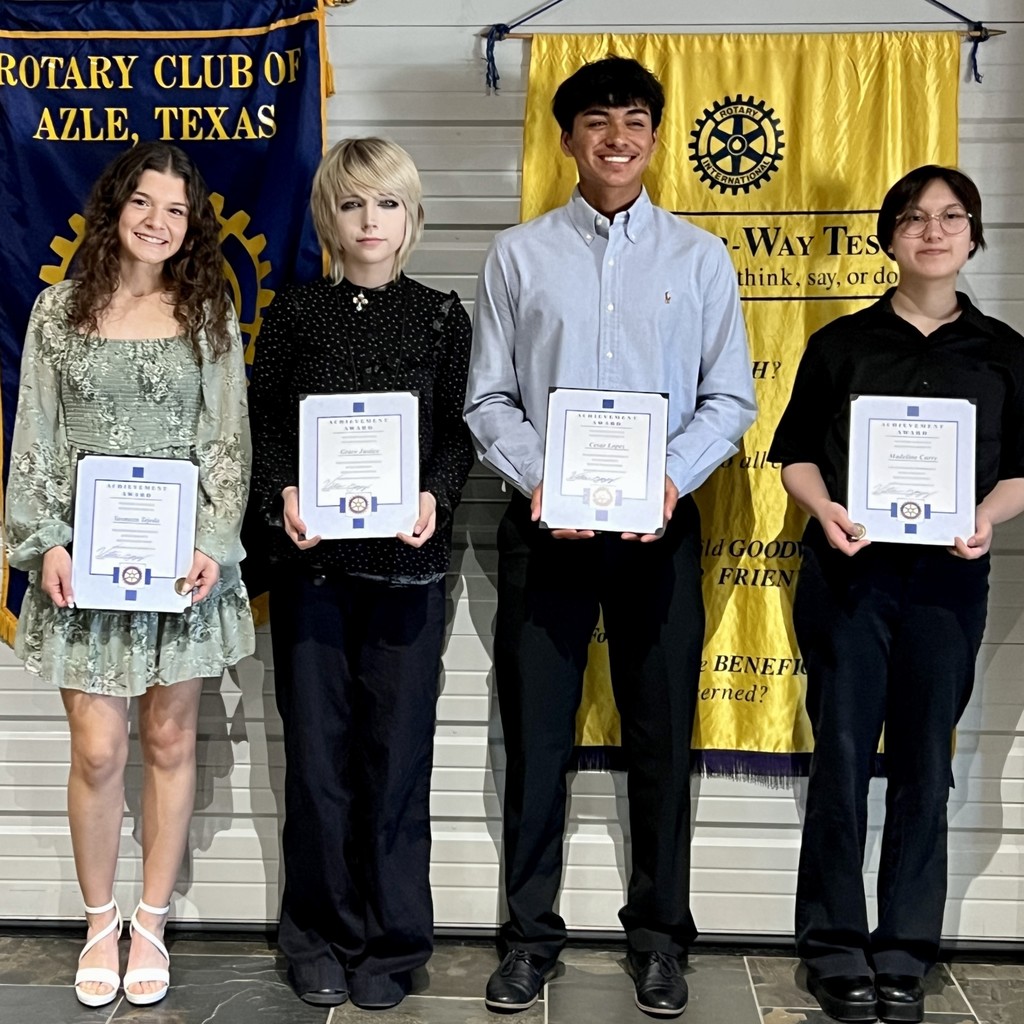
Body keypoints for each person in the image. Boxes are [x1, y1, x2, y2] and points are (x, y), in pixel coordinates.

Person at [464, 56, 756, 1017]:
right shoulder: (518, 256)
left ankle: (661, 940)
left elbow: (730, 398)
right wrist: (543, 479)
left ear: (656, 138)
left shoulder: (699, 258)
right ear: (567, 140)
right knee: (537, 737)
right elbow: (488, 398)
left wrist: (669, 478)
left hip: (658, 529)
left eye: (634, 120)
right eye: (597, 120)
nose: (617, 138)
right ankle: (528, 940)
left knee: (661, 739)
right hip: (546, 527)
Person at [769, 165, 1024, 1024]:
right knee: (841, 758)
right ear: (888, 238)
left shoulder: (1006, 353)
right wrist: (825, 510)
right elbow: (796, 454)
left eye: (952, 217)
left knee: (925, 764)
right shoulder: (842, 344)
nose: (933, 231)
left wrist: (985, 516)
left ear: (975, 236)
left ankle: (907, 951)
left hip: (948, 585)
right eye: (914, 218)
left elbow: (1022, 469)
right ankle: (835, 948)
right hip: (850, 579)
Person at [5, 141, 254, 1008]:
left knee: (170, 741)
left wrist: (213, 538)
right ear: (115, 208)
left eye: (176, 210)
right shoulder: (56, 310)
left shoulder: (209, 312)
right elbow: (34, 433)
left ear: (193, 227)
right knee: (100, 748)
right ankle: (97, 919)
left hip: (178, 568)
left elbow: (227, 439)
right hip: (85, 565)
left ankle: (151, 919)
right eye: (144, 202)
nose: (158, 221)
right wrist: (46, 542)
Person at [249, 137, 474, 1011]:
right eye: (352, 204)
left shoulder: (441, 317)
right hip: (314, 572)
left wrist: (434, 494)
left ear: (411, 217)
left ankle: (392, 942)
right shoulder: (294, 315)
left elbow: (457, 432)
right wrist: (284, 493)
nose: (369, 220)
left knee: (396, 763)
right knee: (318, 765)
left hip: (406, 576)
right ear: (328, 217)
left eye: (386, 203)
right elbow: (266, 424)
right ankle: (317, 938)